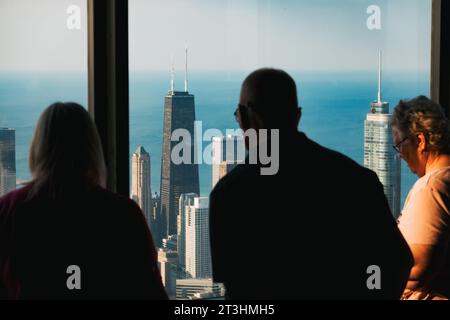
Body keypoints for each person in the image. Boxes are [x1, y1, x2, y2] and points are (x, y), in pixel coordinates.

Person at [209, 68, 413, 299]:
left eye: (238, 116)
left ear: (246, 118)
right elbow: (397, 262)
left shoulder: (231, 194)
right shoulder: (355, 179)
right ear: (297, 116)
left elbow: (238, 291)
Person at [0, 102, 168, 299]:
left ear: (37, 150)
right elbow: (150, 291)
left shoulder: (8, 209)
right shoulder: (122, 214)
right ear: (92, 150)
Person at [391, 96, 450, 300]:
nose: (400, 155)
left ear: (420, 141)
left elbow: (416, 267)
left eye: (399, 145)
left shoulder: (431, 188)